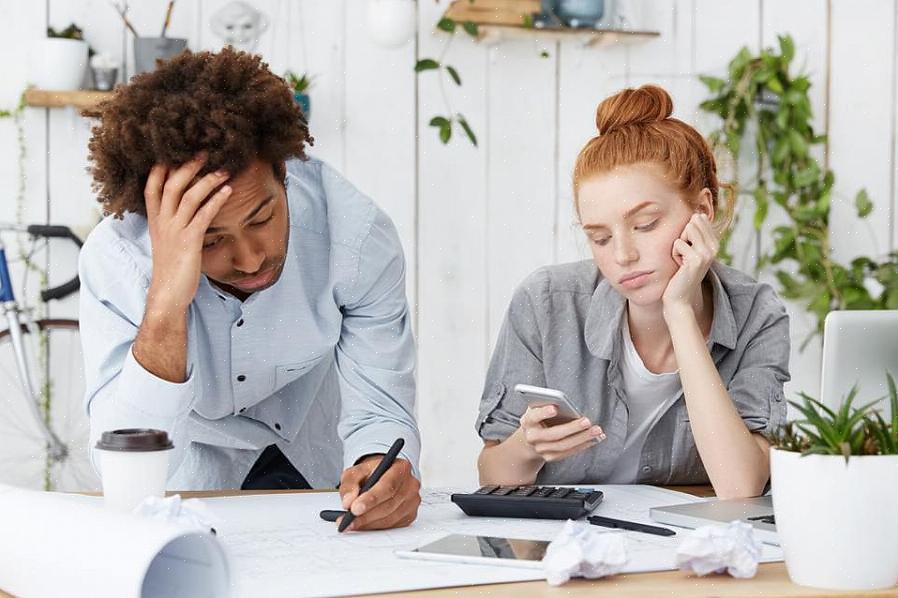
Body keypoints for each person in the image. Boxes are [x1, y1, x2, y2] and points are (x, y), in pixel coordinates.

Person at [79, 47, 421, 530]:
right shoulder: (118, 260)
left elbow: (380, 406)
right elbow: (120, 461)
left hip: (317, 473)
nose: (251, 258)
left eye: (262, 218)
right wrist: (166, 302)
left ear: (285, 173)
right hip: (183, 483)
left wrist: (380, 469)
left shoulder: (357, 238)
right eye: (211, 240)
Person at [476, 84, 790, 499]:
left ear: (703, 211)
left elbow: (740, 486)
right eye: (601, 238)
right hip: (568, 548)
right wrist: (527, 447)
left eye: (645, 225)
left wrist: (678, 310)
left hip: (685, 551)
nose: (622, 255)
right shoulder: (546, 302)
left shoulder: (757, 314)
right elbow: (491, 473)